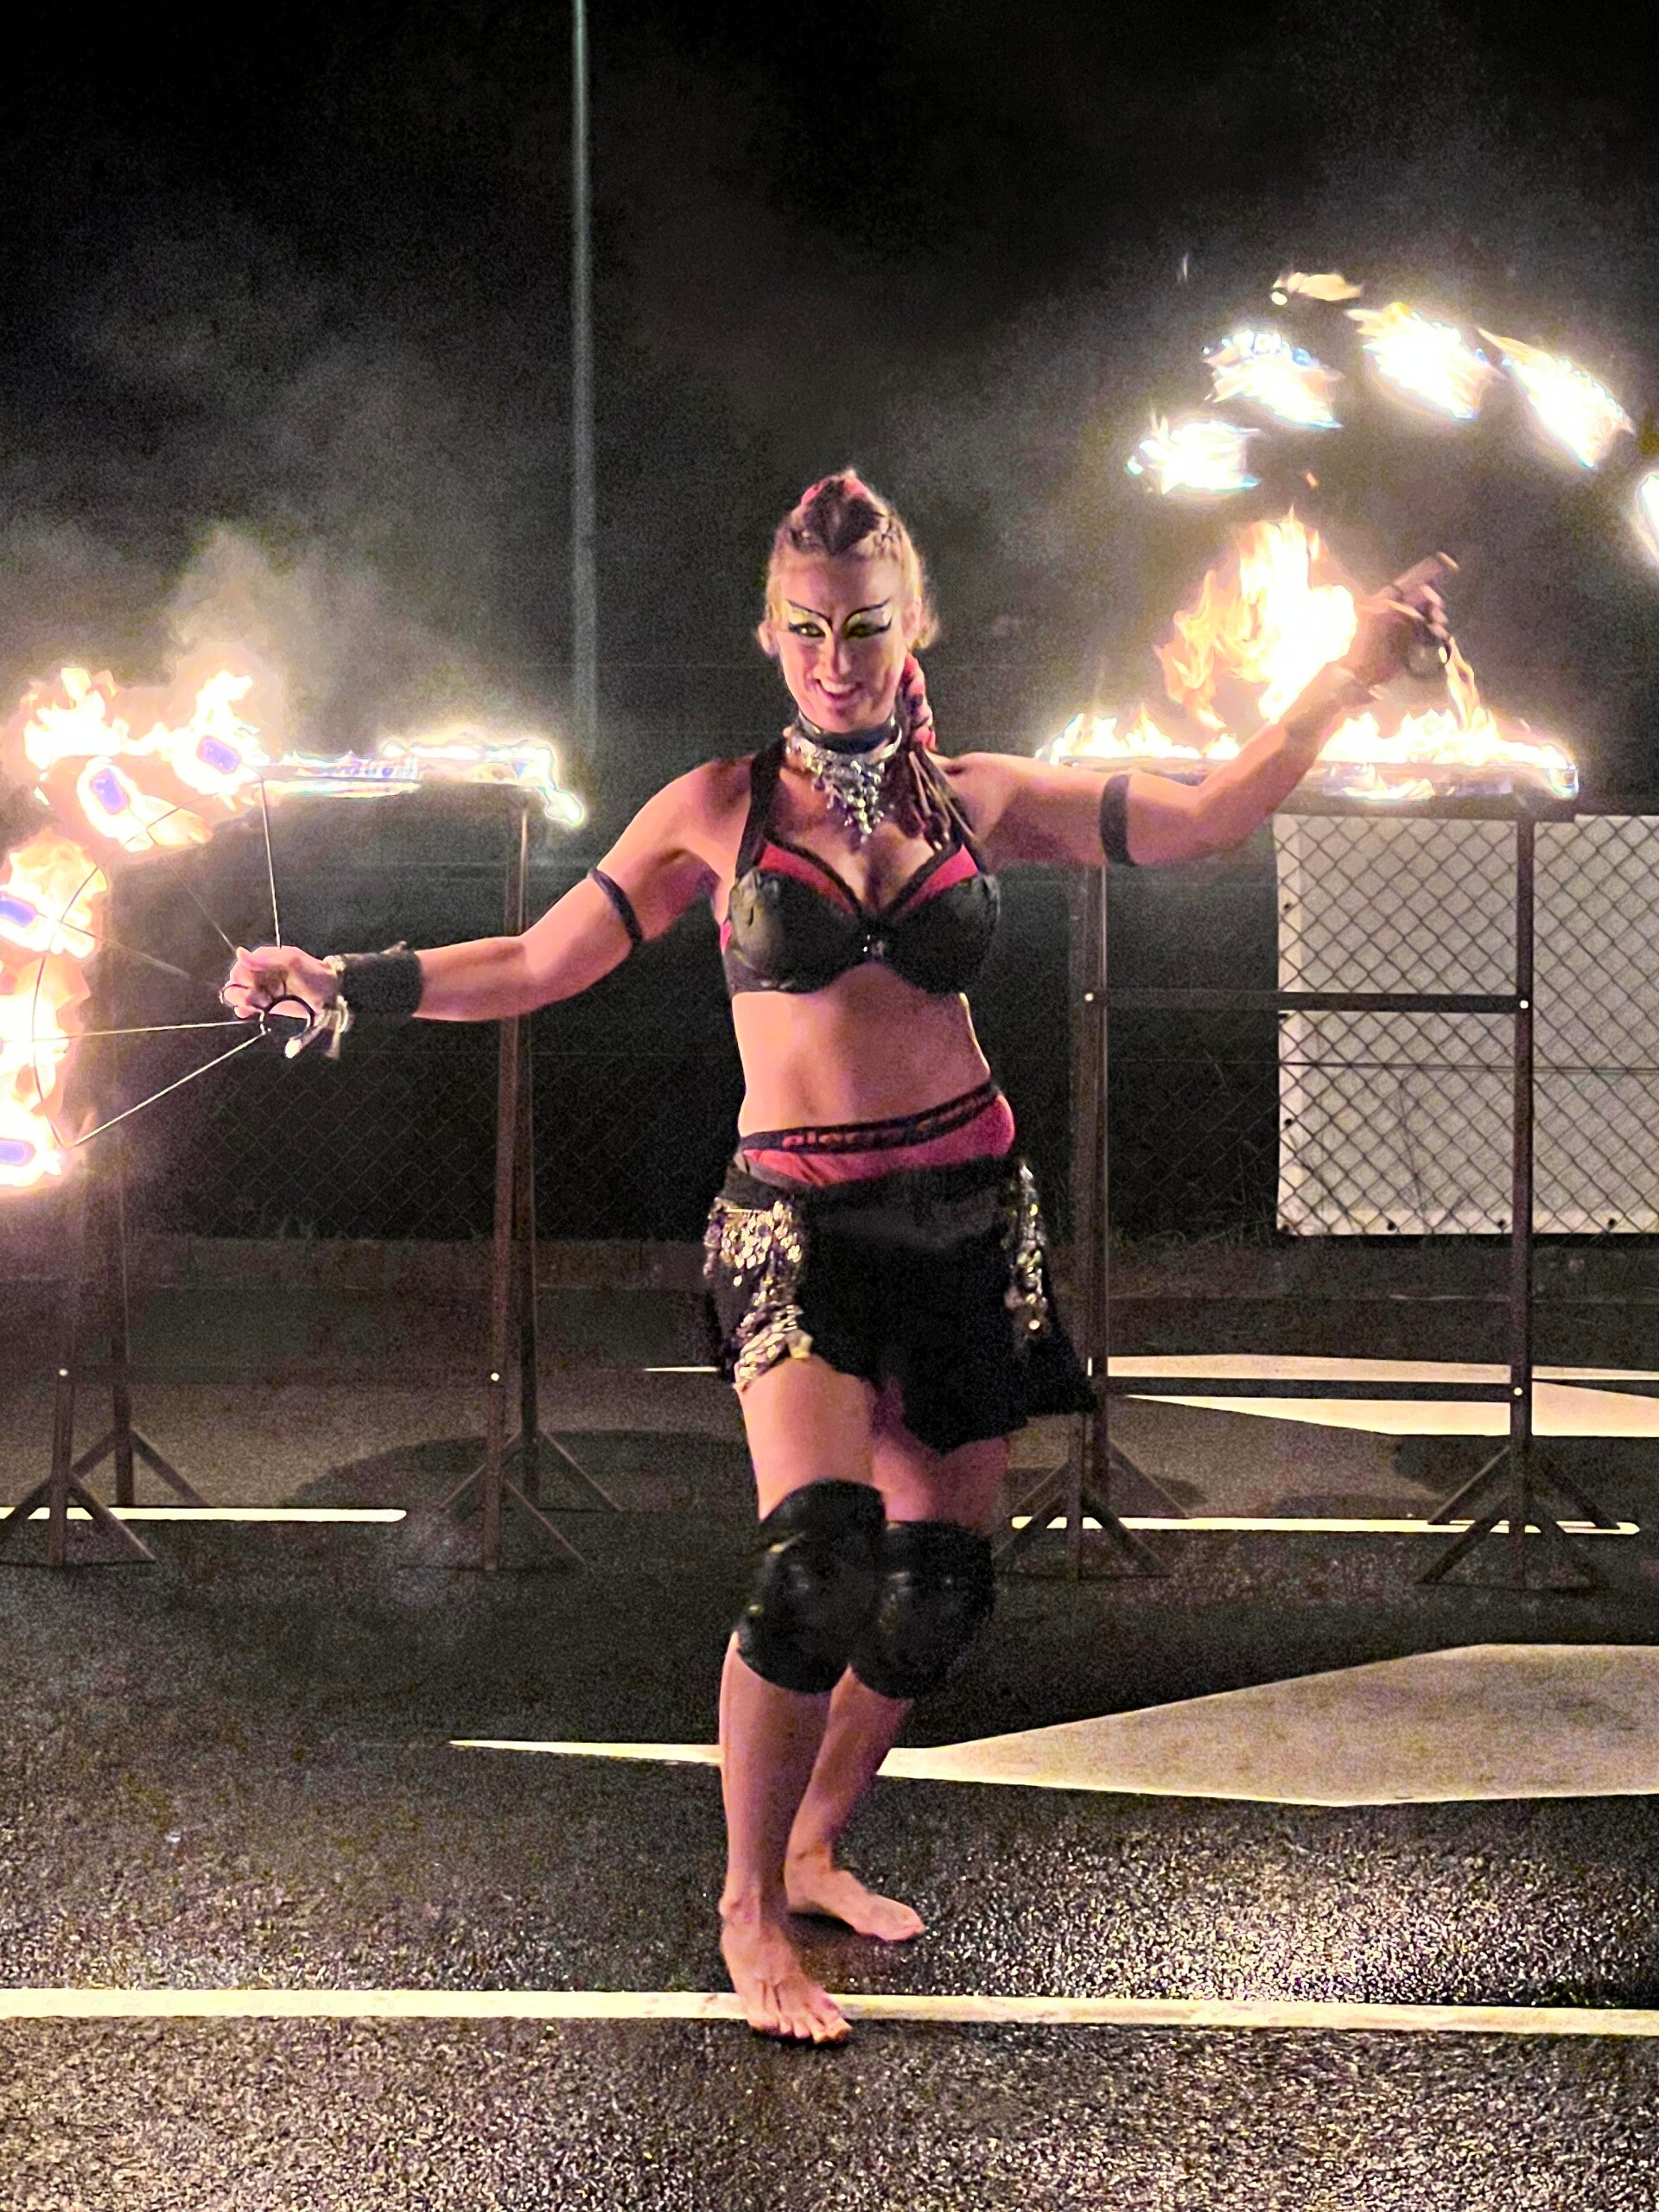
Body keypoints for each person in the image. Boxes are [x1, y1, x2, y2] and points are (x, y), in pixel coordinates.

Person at [225, 473, 1447, 2043]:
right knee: (816, 1565)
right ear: (771, 635)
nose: (836, 659)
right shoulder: (715, 809)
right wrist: (347, 977)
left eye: (865, 629)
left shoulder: (982, 799)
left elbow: (1208, 818)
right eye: (807, 630)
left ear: (908, 625)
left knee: (937, 1594)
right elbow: (537, 959)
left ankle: (815, 1844)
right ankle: (746, 1906)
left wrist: (1347, 673)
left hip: (969, 1214)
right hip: (798, 1225)